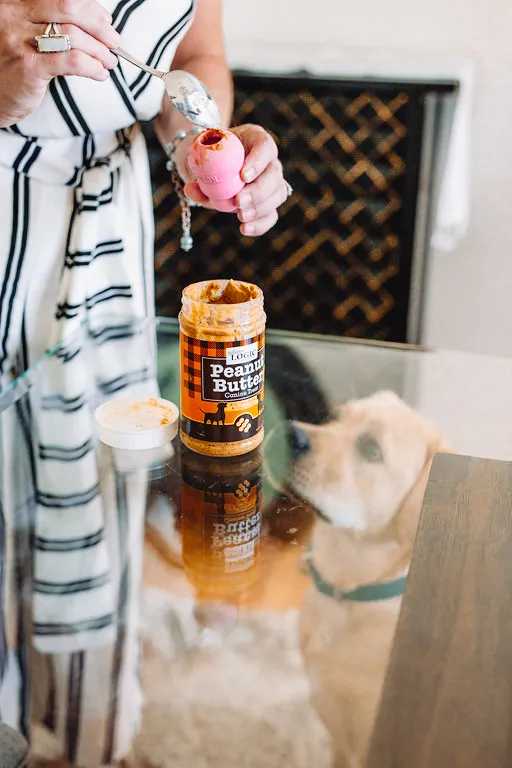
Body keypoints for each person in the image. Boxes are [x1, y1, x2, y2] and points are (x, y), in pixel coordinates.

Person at [0, 0, 288, 766]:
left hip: (105, 251)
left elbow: (195, 57)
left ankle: (81, 744)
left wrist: (199, 136)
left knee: (95, 515)